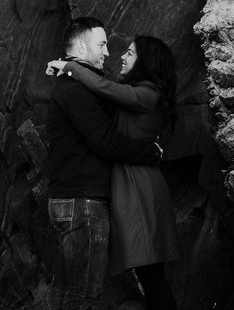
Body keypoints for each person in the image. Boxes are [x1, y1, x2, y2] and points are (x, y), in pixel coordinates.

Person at [48, 35, 180, 310]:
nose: (121, 56)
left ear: (145, 62)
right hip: (133, 183)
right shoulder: (135, 95)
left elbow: (102, 87)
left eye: (130, 54)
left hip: (139, 188)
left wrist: (69, 66)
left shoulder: (147, 93)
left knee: (151, 275)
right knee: (149, 275)